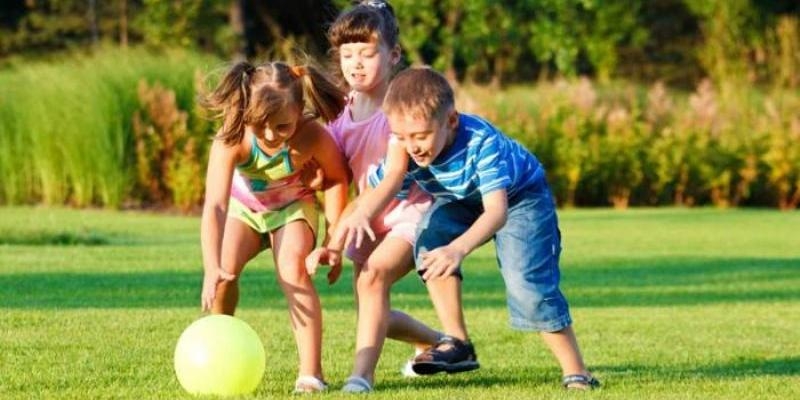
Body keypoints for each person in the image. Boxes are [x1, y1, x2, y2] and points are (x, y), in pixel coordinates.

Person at [333, 66, 601, 390]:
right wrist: (343, 232)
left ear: (451, 121)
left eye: (421, 136)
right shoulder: (403, 148)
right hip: (460, 200)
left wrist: (457, 248)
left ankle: (577, 372)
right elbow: (379, 189)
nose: (413, 147)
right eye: (402, 137)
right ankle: (458, 342)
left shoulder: (479, 141)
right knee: (429, 239)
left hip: (520, 198)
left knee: (526, 284)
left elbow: (496, 212)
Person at [304, 0, 457, 393]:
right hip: (368, 218)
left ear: (393, 55)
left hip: (412, 212)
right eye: (347, 54)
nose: (355, 63)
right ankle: (438, 343)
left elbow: (393, 176)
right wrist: (331, 236)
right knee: (372, 310)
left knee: (372, 283)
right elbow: (335, 175)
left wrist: (350, 223)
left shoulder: (398, 108)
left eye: (367, 54)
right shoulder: (342, 110)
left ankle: (361, 377)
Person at [199, 60, 349, 394]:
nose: (269, 135)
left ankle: (311, 374)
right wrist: (211, 267)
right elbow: (216, 205)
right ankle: (220, 349)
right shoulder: (233, 135)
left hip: (293, 208)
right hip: (246, 210)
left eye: (282, 127)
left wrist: (333, 241)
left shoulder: (312, 136)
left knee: (292, 271)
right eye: (260, 125)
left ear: (299, 109)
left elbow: (338, 179)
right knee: (225, 273)